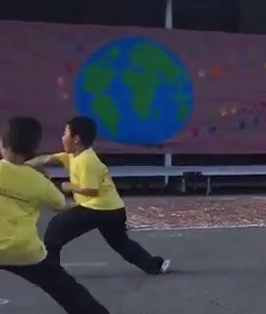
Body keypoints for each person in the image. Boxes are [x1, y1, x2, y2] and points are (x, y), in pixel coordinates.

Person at [0, 116, 115, 314]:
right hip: (23, 251)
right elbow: (59, 204)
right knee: (60, 283)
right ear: (33, 148)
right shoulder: (38, 181)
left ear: (2, 143)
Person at [28, 116, 170, 275]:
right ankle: (154, 265)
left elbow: (91, 190)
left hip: (99, 209)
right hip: (113, 209)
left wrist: (69, 186)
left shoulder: (87, 161)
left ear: (76, 139)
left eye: (65, 134)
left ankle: (50, 269)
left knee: (56, 228)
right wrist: (21, 165)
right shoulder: (73, 156)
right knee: (121, 243)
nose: (62, 138)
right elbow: (46, 159)